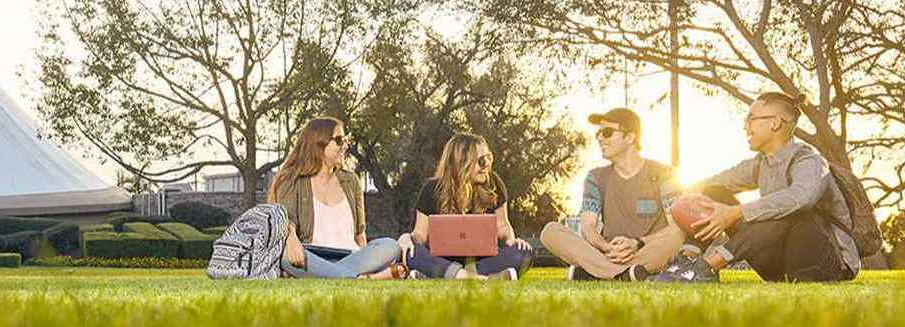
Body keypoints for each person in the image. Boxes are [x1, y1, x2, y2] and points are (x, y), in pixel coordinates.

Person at [651, 92, 860, 283]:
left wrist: (736, 212)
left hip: (827, 264)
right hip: (779, 263)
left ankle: (707, 267)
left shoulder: (809, 159)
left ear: (776, 123)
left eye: (751, 118)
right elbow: (714, 183)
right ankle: (687, 262)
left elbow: (802, 197)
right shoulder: (760, 163)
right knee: (715, 193)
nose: (745, 126)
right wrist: (687, 195)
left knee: (790, 210)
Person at [538, 108, 685, 281]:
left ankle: (596, 272)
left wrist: (637, 243)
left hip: (647, 250)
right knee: (550, 231)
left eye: (607, 133)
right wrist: (606, 247)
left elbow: (675, 228)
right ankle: (624, 274)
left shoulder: (664, 173)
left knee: (677, 236)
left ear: (630, 137)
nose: (600, 138)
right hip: (608, 253)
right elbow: (588, 226)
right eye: (598, 133)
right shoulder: (596, 177)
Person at [267, 117, 403, 279]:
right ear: (318, 143)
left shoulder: (351, 181)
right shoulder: (292, 180)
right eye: (338, 140)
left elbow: (360, 234)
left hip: (350, 256)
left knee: (391, 245)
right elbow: (284, 221)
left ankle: (340, 275)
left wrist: (368, 261)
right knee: (285, 256)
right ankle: (360, 279)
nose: (344, 145)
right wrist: (291, 240)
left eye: (345, 140)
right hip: (312, 256)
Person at [397, 133, 534, 280]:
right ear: (461, 162)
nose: (486, 165)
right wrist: (406, 238)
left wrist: (512, 242)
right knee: (411, 253)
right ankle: (480, 279)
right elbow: (420, 236)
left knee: (524, 253)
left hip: (482, 261)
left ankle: (448, 276)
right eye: (481, 161)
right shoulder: (432, 189)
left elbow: (503, 227)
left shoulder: (494, 184)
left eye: (488, 158)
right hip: (442, 260)